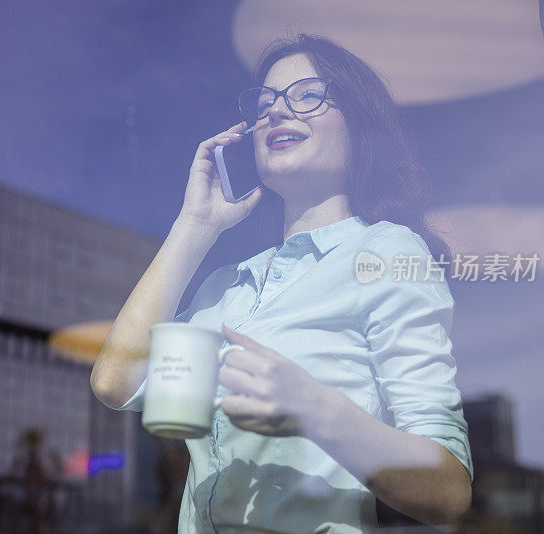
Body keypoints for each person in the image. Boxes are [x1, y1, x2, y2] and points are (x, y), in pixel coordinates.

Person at [90, 33, 473, 533]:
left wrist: (315, 409)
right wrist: (195, 226)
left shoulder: (384, 252)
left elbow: (448, 491)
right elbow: (114, 383)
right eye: (265, 102)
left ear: (359, 126)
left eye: (308, 95)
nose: (276, 112)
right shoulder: (226, 289)